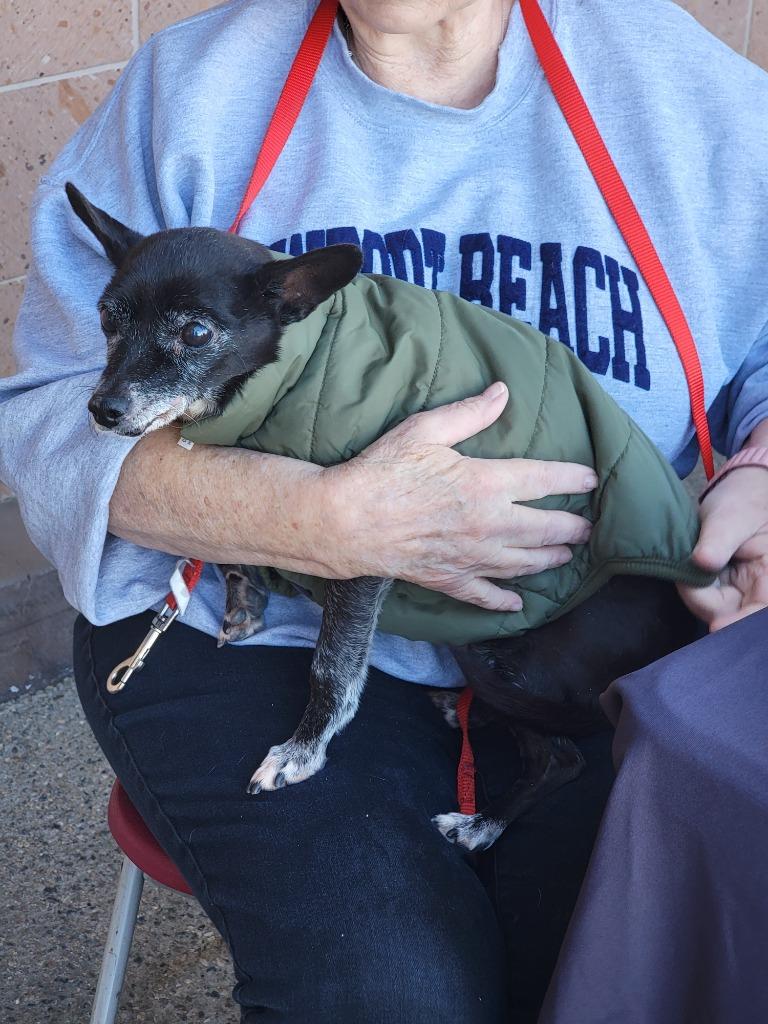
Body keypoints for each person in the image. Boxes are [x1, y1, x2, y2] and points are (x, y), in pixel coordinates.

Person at [2, 0, 768, 1020]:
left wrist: (761, 473)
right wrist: (311, 521)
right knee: (387, 989)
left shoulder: (691, 92)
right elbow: (50, 417)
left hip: (593, 624)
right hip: (250, 633)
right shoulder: (189, 94)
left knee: (639, 965)